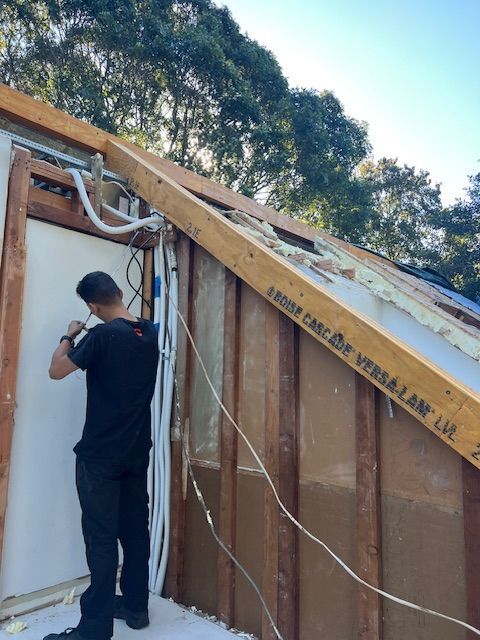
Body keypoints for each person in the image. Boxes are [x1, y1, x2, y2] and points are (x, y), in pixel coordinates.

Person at [45, 271, 159, 640]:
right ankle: (135, 607)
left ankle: (93, 629)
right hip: (136, 452)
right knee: (134, 531)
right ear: (120, 293)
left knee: (101, 536)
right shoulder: (150, 333)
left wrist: (68, 335)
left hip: (100, 457)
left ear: (92, 307)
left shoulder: (100, 336)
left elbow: (56, 370)